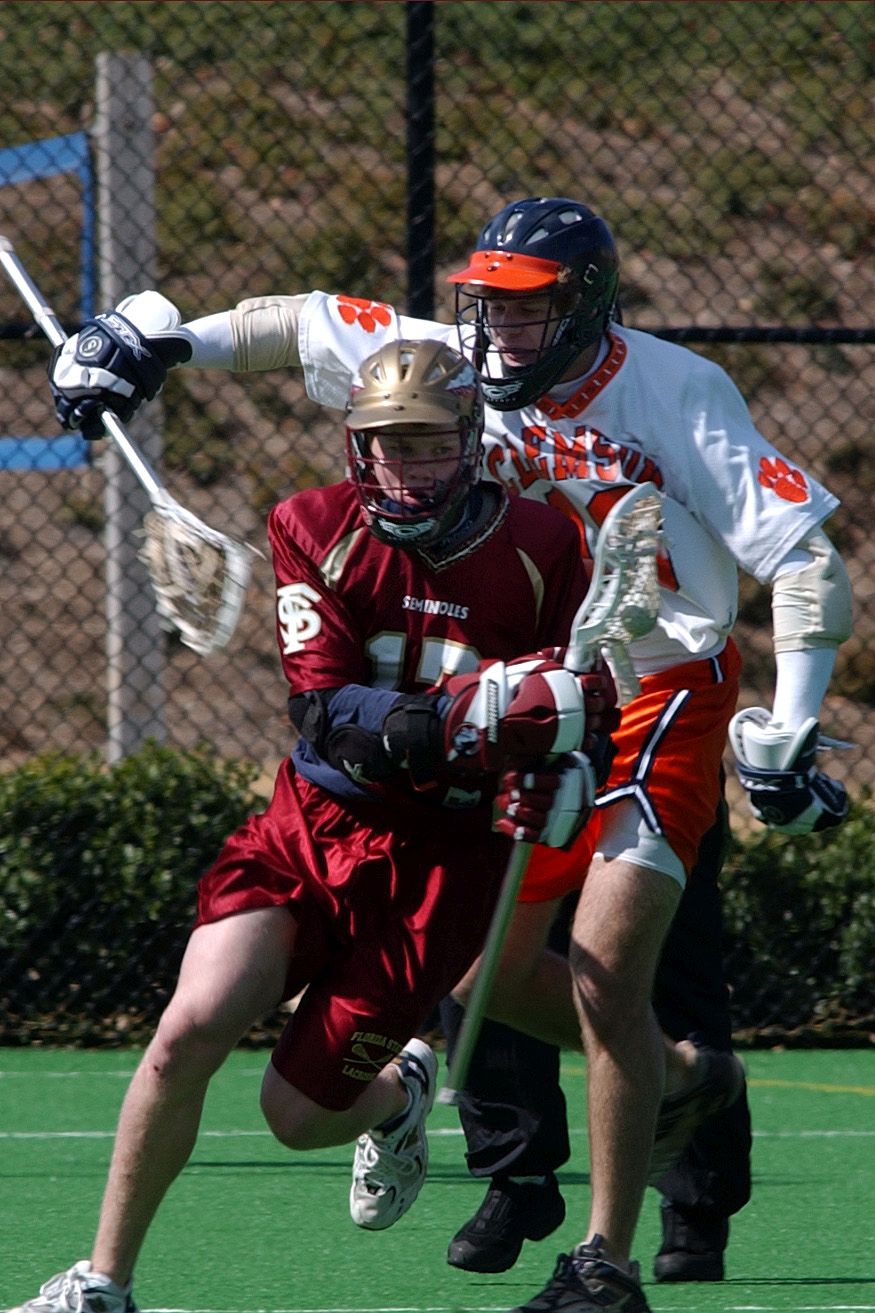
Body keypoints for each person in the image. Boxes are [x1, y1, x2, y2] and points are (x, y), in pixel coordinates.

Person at [42, 195, 853, 1313]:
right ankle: (677, 1076)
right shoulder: (447, 366)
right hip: (516, 689)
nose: (499, 332)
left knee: (608, 962)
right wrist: (154, 344)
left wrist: (791, 720)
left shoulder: (677, 390)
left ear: (586, 303)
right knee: (483, 974)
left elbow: (803, 559)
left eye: (526, 309)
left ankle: (604, 1260)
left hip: (655, 684)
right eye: (488, 306)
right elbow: (298, 322)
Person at [8, 338, 624, 1313]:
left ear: (470, 441)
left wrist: (561, 765)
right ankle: (103, 1283)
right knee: (187, 1029)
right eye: (387, 443)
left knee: (294, 1116)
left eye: (428, 442)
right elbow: (324, 708)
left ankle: (397, 1096)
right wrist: (460, 715)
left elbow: (582, 705)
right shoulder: (311, 524)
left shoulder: (544, 546)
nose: (405, 465)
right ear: (357, 445)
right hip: (312, 825)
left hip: (440, 865)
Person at [440, 795, 753, 1286]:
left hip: (647, 760)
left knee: (664, 954)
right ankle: (520, 1173)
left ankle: (694, 1199)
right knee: (485, 950)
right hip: (526, 758)